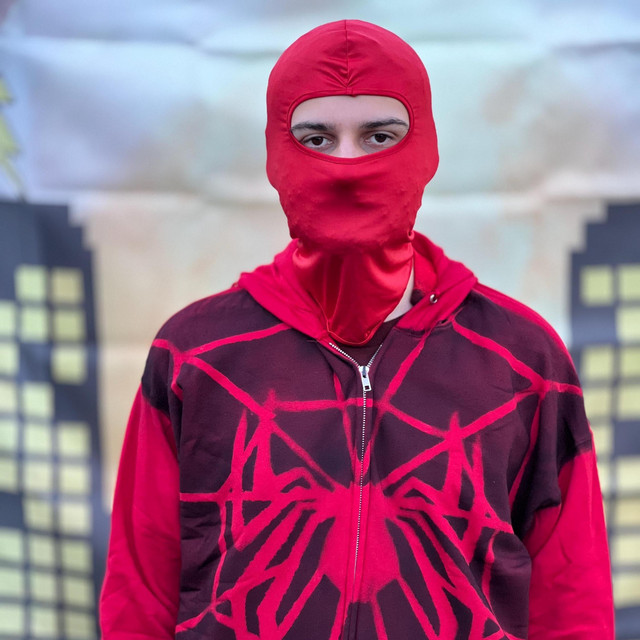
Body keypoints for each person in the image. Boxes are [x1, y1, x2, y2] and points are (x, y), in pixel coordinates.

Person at [100, 19, 614, 639]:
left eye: (379, 136)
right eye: (316, 138)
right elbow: (140, 595)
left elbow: (572, 600)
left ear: (424, 150)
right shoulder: (196, 355)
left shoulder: (523, 360)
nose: (346, 166)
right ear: (276, 155)